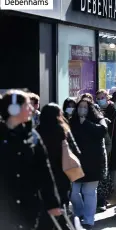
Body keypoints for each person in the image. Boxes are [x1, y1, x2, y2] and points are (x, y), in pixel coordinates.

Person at [0, 90, 61, 229]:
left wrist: (52, 203)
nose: (31, 109)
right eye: (27, 105)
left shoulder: (32, 136)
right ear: (13, 109)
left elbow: (45, 171)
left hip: (28, 204)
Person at [36, 103, 81, 230]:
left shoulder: (36, 132)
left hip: (43, 176)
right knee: (62, 206)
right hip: (63, 174)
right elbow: (76, 152)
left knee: (45, 208)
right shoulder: (63, 131)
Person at [70, 99, 108, 229]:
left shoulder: (98, 119)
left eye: (85, 107)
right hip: (76, 163)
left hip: (93, 163)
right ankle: (80, 213)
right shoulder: (72, 121)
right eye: (80, 107)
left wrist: (85, 123)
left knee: (89, 192)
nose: (82, 109)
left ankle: (88, 220)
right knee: (73, 192)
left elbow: (102, 131)